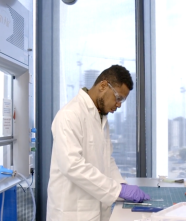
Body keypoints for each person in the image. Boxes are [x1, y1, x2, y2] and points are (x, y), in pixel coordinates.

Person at [47, 65, 150, 221]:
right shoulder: (69, 115)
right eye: (118, 97)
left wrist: (121, 184)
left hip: (97, 210)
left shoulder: (101, 118)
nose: (119, 104)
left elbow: (107, 159)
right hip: (72, 213)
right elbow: (72, 166)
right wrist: (116, 190)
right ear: (103, 85)